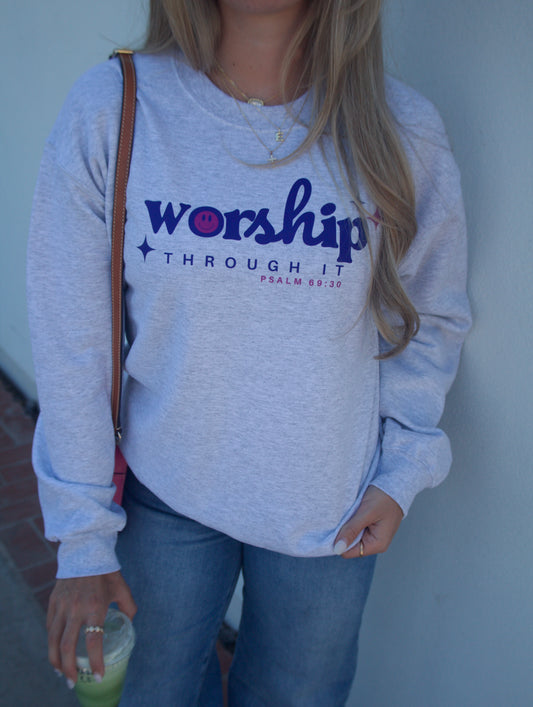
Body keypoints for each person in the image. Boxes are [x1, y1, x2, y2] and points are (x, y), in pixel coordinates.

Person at [27, 0, 471, 704]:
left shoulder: (401, 130)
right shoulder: (116, 108)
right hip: (165, 493)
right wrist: (82, 537)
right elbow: (72, 342)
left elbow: (430, 314)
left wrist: (403, 468)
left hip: (330, 511)